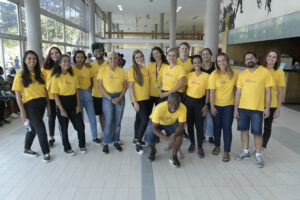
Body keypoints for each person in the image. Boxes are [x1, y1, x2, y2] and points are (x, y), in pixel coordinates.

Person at [234, 51, 274, 168]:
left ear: (257, 59)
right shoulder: (242, 74)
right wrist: (236, 109)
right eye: (247, 59)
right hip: (242, 108)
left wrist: (267, 108)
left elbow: (268, 92)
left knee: (257, 132)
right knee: (244, 131)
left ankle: (258, 154)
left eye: (251, 58)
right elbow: (238, 93)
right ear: (245, 62)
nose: (249, 60)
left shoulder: (265, 72)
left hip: (257, 109)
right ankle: (245, 151)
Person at [12, 50, 51, 162]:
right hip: (30, 105)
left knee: (33, 128)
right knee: (40, 128)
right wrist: (22, 112)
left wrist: (48, 105)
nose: (32, 61)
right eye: (29, 58)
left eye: (34, 58)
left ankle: (27, 148)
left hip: (41, 103)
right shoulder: (20, 75)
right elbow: (18, 96)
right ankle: (46, 152)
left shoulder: (41, 74)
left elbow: (45, 91)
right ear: (24, 60)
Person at [50, 55, 86, 155]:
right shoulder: (55, 77)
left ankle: (82, 145)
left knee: (80, 126)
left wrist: (78, 105)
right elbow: (55, 95)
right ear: (60, 63)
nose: (67, 63)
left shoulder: (73, 76)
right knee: (64, 128)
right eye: (64, 61)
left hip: (73, 103)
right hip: (62, 103)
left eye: (69, 61)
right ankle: (67, 147)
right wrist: (61, 109)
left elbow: (77, 92)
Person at [209, 52, 238, 162]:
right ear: (217, 63)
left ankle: (226, 151)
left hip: (229, 105)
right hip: (217, 105)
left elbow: (235, 90)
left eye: (223, 60)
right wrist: (212, 106)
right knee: (217, 127)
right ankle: (217, 145)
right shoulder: (214, 74)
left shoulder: (234, 73)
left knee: (227, 128)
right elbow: (212, 92)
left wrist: (236, 106)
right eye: (219, 61)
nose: (221, 63)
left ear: (227, 61)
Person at [146, 93, 186, 168]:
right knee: (149, 137)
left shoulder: (183, 108)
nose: (174, 107)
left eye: (176, 105)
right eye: (171, 104)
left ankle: (173, 156)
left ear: (179, 103)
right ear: (167, 102)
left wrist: (174, 135)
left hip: (171, 123)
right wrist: (166, 138)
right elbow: (154, 127)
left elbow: (181, 126)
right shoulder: (159, 108)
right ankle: (153, 150)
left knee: (180, 135)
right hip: (156, 123)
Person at [97, 52, 127, 154]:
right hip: (107, 97)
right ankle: (106, 142)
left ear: (118, 59)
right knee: (108, 121)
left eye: (115, 58)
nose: (113, 60)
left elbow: (125, 86)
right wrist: (110, 98)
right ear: (108, 59)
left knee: (117, 122)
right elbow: (100, 86)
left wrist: (120, 98)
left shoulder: (122, 71)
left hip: (120, 97)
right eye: (111, 58)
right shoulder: (102, 70)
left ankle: (116, 141)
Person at [72, 50, 101, 144]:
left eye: (82, 57)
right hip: (77, 96)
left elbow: (92, 79)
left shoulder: (89, 67)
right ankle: (82, 139)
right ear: (75, 58)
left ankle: (95, 137)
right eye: (78, 57)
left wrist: (91, 87)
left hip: (88, 94)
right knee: (80, 121)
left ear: (85, 58)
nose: (80, 59)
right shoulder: (71, 70)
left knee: (92, 118)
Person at [185, 55, 209, 157]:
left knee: (199, 126)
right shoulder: (189, 75)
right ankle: (192, 143)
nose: (196, 64)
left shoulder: (206, 76)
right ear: (192, 64)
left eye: (198, 62)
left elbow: (208, 91)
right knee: (190, 125)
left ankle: (200, 147)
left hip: (200, 102)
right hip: (189, 102)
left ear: (201, 63)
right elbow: (185, 88)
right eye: (194, 63)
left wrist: (206, 105)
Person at [128, 50, 151, 154]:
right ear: (134, 59)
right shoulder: (132, 69)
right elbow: (131, 87)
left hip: (146, 98)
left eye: (140, 56)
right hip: (138, 99)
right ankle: (138, 142)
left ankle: (135, 138)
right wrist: (135, 101)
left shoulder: (145, 69)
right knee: (145, 120)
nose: (139, 59)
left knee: (138, 119)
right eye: (137, 57)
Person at [262, 49, 285, 150]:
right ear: (266, 57)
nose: (271, 59)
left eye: (274, 57)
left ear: (277, 60)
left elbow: (280, 92)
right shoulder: (259, 69)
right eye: (269, 56)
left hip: (271, 104)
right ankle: (258, 144)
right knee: (256, 127)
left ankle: (262, 147)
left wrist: (278, 109)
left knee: (267, 127)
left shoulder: (279, 72)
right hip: (257, 103)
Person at [42, 47, 62, 147]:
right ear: (49, 55)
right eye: (52, 53)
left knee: (62, 117)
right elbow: (43, 84)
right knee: (51, 117)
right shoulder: (45, 68)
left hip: (61, 96)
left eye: (56, 53)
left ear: (60, 54)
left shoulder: (63, 65)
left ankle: (63, 136)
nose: (54, 55)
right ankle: (51, 137)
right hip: (50, 97)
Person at [90, 43, 107, 138]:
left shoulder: (108, 64)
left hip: (108, 95)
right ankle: (104, 133)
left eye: (100, 50)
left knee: (110, 116)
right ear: (93, 53)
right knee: (101, 116)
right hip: (96, 95)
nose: (98, 53)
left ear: (103, 52)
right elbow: (89, 78)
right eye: (96, 51)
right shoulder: (91, 66)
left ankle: (112, 134)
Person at [200, 48, 215, 145]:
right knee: (203, 116)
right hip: (202, 95)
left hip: (213, 95)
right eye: (204, 54)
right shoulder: (198, 66)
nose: (205, 56)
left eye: (207, 54)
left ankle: (210, 136)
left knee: (211, 118)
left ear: (211, 55)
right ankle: (202, 135)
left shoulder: (215, 66)